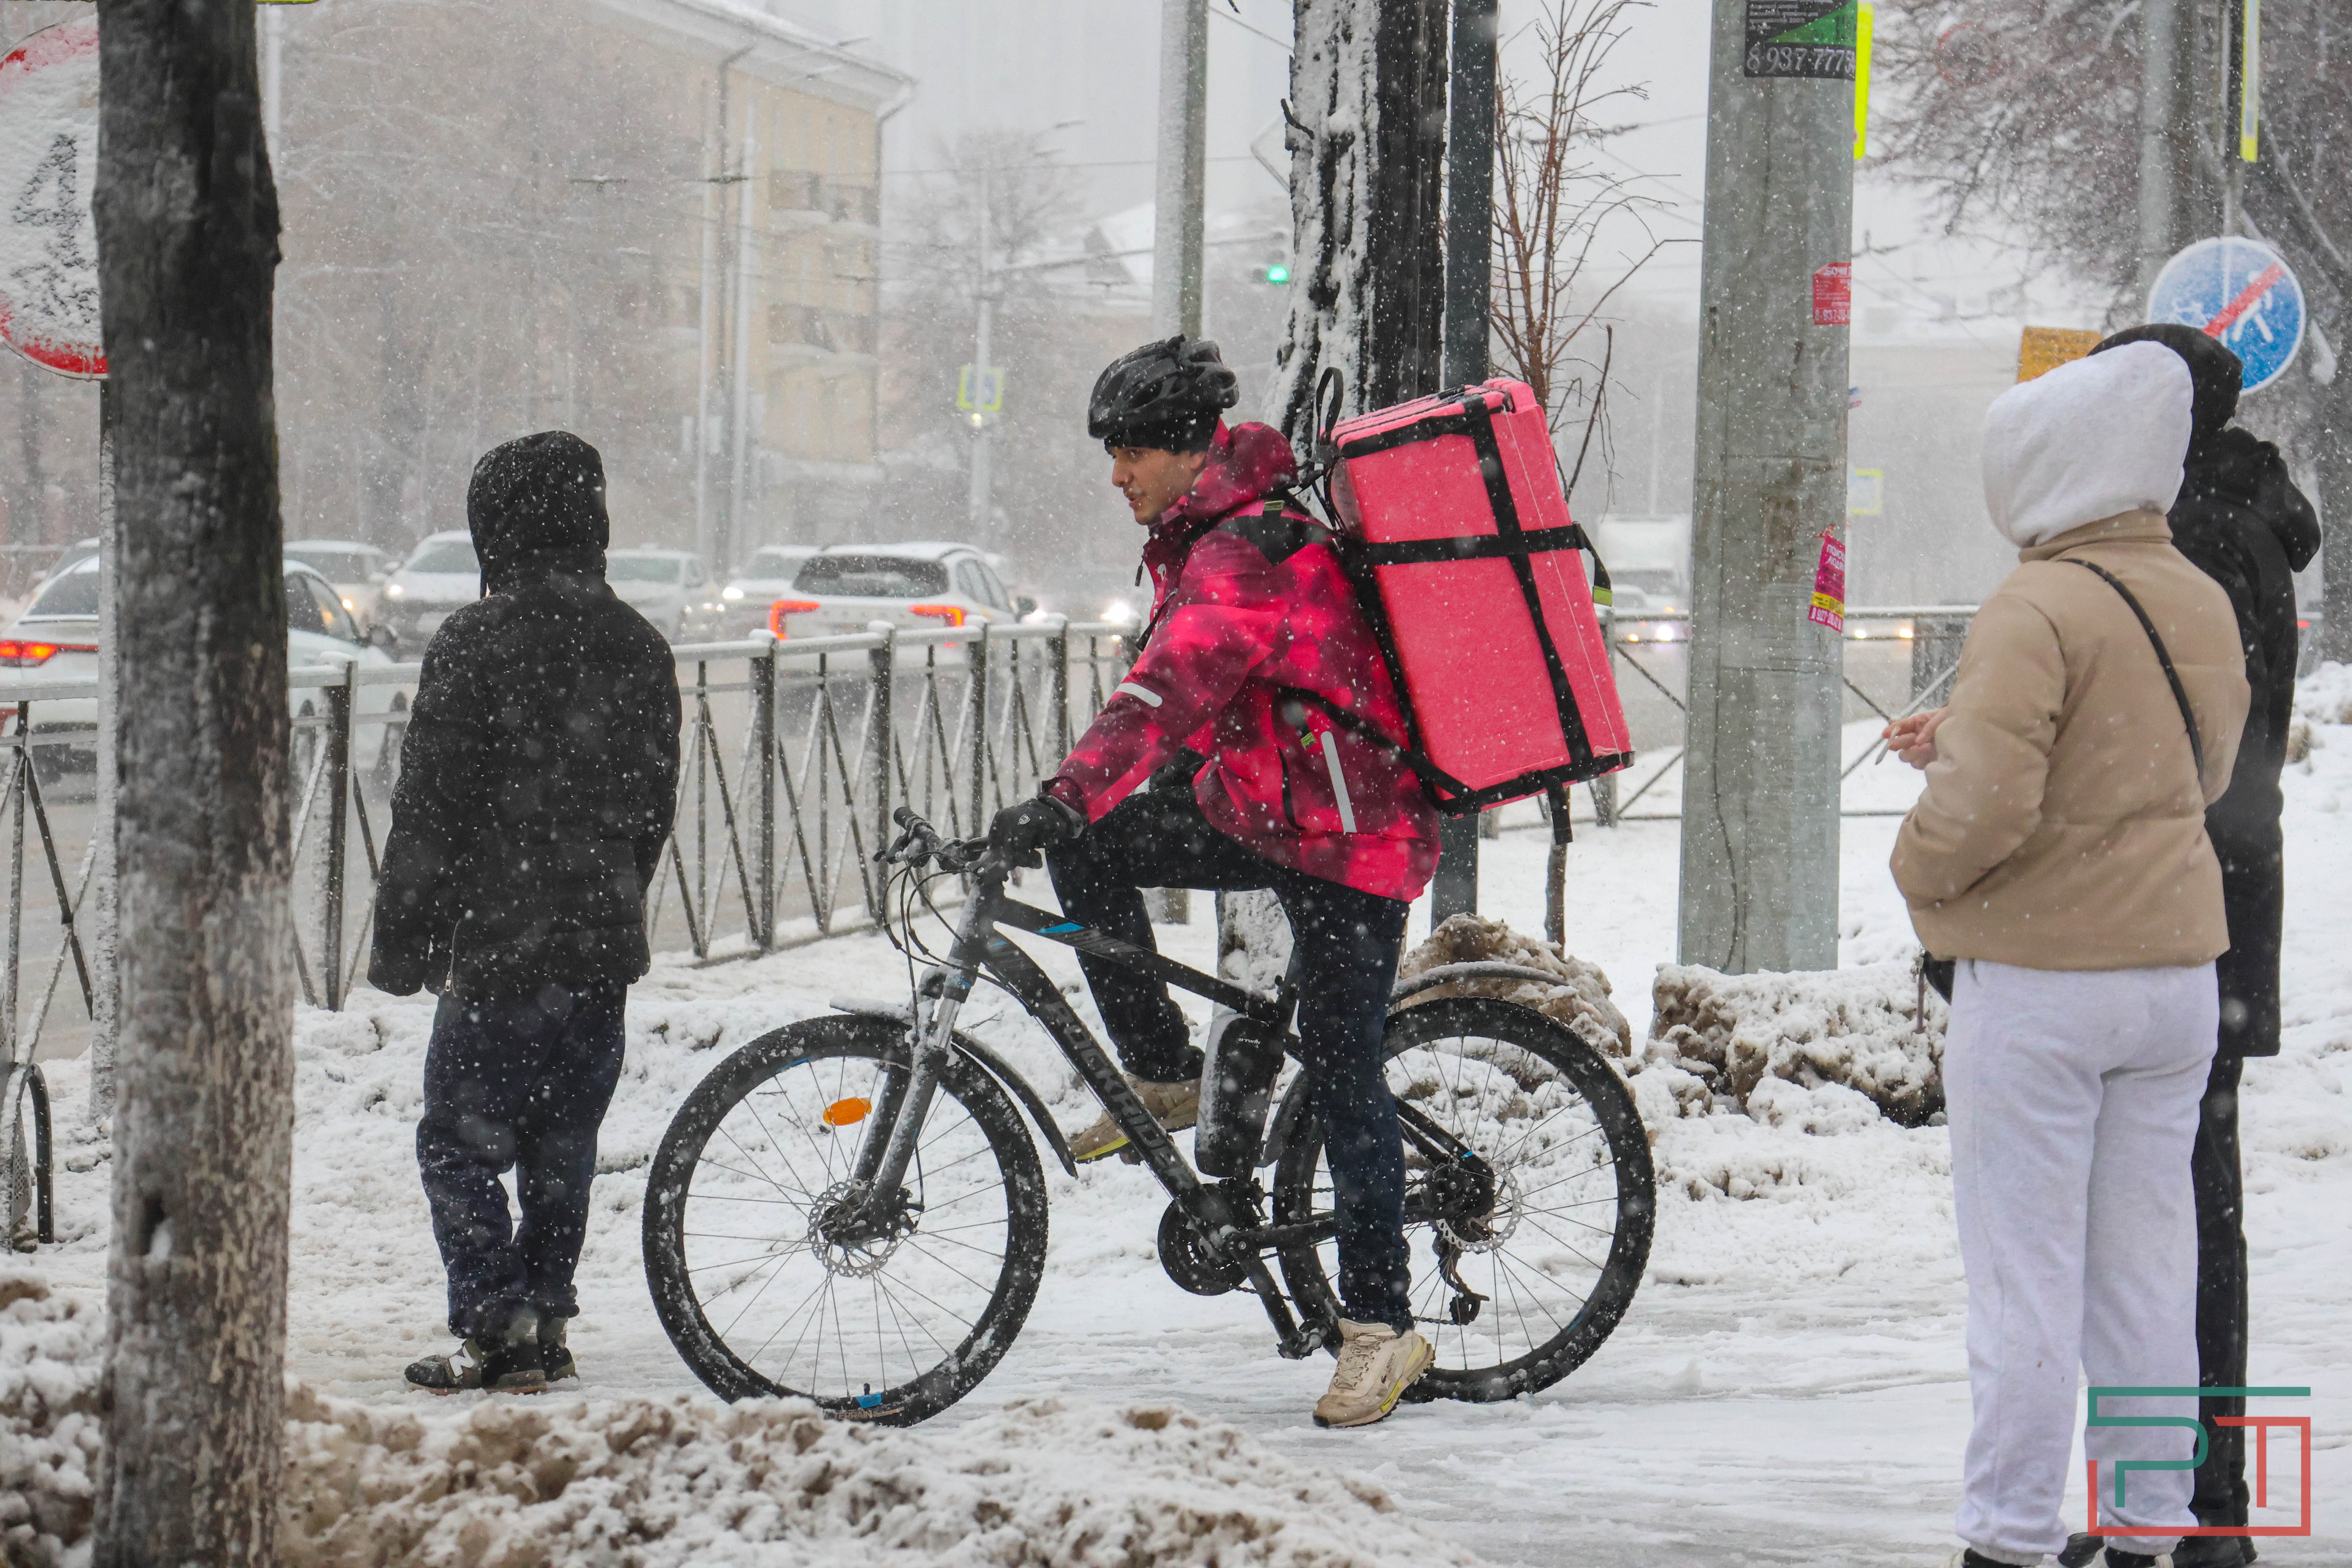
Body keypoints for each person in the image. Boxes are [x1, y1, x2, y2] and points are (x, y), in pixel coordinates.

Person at [985, 337, 1442, 1428]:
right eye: (1110, 451)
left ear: (1191, 450)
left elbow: (1167, 689)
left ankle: (1382, 1328)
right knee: (1090, 849)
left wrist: (1069, 787)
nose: (1115, 473)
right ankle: (1165, 1074)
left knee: (1344, 1071)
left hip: (1353, 832)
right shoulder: (1203, 532)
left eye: (1131, 450)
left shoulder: (1247, 550)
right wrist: (1085, 809)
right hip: (1269, 809)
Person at [1883, 344, 2249, 1568]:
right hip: (2176, 980)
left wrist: (1919, 865)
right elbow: (2187, 773)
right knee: (2148, 1276)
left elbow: (1988, 811)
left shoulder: (2033, 605)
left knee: (2024, 1279)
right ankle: (2148, 1523)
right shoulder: (2197, 593)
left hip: (2044, 986)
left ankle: (2006, 1535)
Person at [2065, 326, 2319, 1566]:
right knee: (2183, 1216)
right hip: (2217, 910)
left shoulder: (2195, 537)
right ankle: (2188, 1507)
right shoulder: (2244, 520)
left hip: (2177, 917)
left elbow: (2173, 754)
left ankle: (2195, 1508)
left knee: (2167, 1226)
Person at [371, 431, 681, 1393]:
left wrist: (404, 941)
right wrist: (614, 896)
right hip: (596, 945)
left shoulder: (475, 641)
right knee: (563, 1143)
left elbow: (430, 805)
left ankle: (494, 1319)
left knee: (457, 1140)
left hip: (500, 945)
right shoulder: (640, 642)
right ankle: (544, 1318)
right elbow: (654, 805)